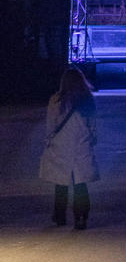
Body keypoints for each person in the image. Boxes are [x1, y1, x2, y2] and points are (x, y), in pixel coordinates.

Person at [39, 65, 99, 228]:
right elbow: (92, 125)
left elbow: (51, 125)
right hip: (81, 144)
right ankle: (81, 216)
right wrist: (92, 139)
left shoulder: (56, 100)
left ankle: (60, 216)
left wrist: (49, 141)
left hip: (61, 145)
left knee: (61, 183)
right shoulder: (87, 100)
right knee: (80, 183)